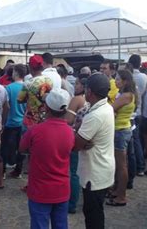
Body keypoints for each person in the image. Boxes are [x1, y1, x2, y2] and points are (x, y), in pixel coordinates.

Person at [19, 88, 74, 229]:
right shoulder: (70, 132)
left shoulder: (36, 130)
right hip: (62, 189)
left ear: (47, 107)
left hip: (40, 190)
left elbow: (22, 148)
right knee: (61, 224)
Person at [75, 73, 115, 229]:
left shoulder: (96, 115)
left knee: (93, 215)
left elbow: (76, 144)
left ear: (89, 91)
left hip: (95, 171)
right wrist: (79, 131)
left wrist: (77, 134)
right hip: (102, 167)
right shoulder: (106, 107)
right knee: (94, 211)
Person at [106, 70, 136, 207]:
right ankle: (118, 191)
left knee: (121, 165)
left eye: (118, 79)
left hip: (120, 130)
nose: (115, 81)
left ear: (125, 81)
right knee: (120, 164)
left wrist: (114, 109)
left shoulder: (125, 96)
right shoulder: (128, 95)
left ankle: (121, 196)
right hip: (122, 128)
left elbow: (111, 108)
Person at [65, 73, 91, 214]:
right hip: (86, 136)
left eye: (77, 84)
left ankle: (71, 203)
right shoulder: (90, 101)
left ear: (83, 86)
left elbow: (68, 120)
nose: (75, 86)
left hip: (75, 135)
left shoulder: (77, 99)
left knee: (73, 172)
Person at [2, 64, 27, 179]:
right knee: (21, 148)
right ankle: (18, 170)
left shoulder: (9, 88)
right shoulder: (27, 88)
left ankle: (2, 172)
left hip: (10, 123)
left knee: (5, 148)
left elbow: (6, 106)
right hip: (23, 123)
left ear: (16, 73)